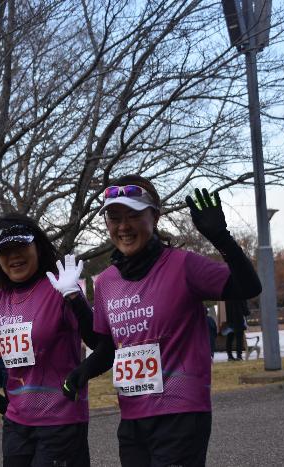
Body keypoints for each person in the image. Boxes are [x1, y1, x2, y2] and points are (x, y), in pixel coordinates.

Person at [61, 175, 262, 466]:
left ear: (154, 216)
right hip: (132, 418)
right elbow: (108, 348)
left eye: (134, 215)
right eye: (114, 218)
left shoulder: (183, 264)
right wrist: (84, 371)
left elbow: (248, 287)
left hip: (181, 412)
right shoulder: (106, 281)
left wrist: (222, 238)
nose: (123, 226)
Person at [0, 213, 97, 467]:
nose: (14, 257)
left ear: (37, 246)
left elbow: (96, 340)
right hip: (17, 423)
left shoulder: (60, 287)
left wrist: (74, 298)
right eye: (4, 252)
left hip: (60, 421)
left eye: (21, 246)